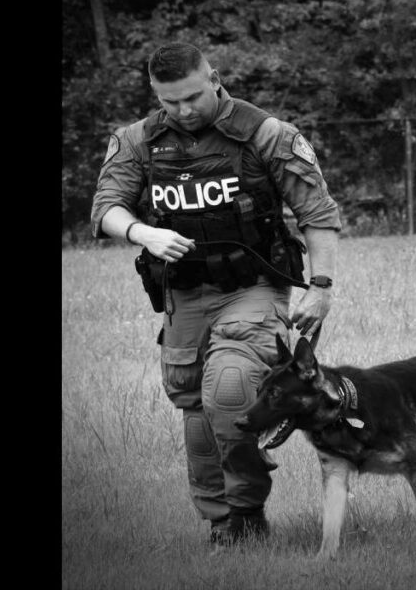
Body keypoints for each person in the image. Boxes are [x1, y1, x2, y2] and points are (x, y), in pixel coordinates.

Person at [90, 42, 341, 545]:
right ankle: (224, 521)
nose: (182, 110)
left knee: (228, 388)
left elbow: (317, 213)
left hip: (253, 287)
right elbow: (106, 208)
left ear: (215, 78)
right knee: (196, 410)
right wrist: (143, 233)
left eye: (191, 97)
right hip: (184, 294)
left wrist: (320, 288)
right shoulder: (139, 140)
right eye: (169, 101)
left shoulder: (265, 134)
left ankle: (247, 508)